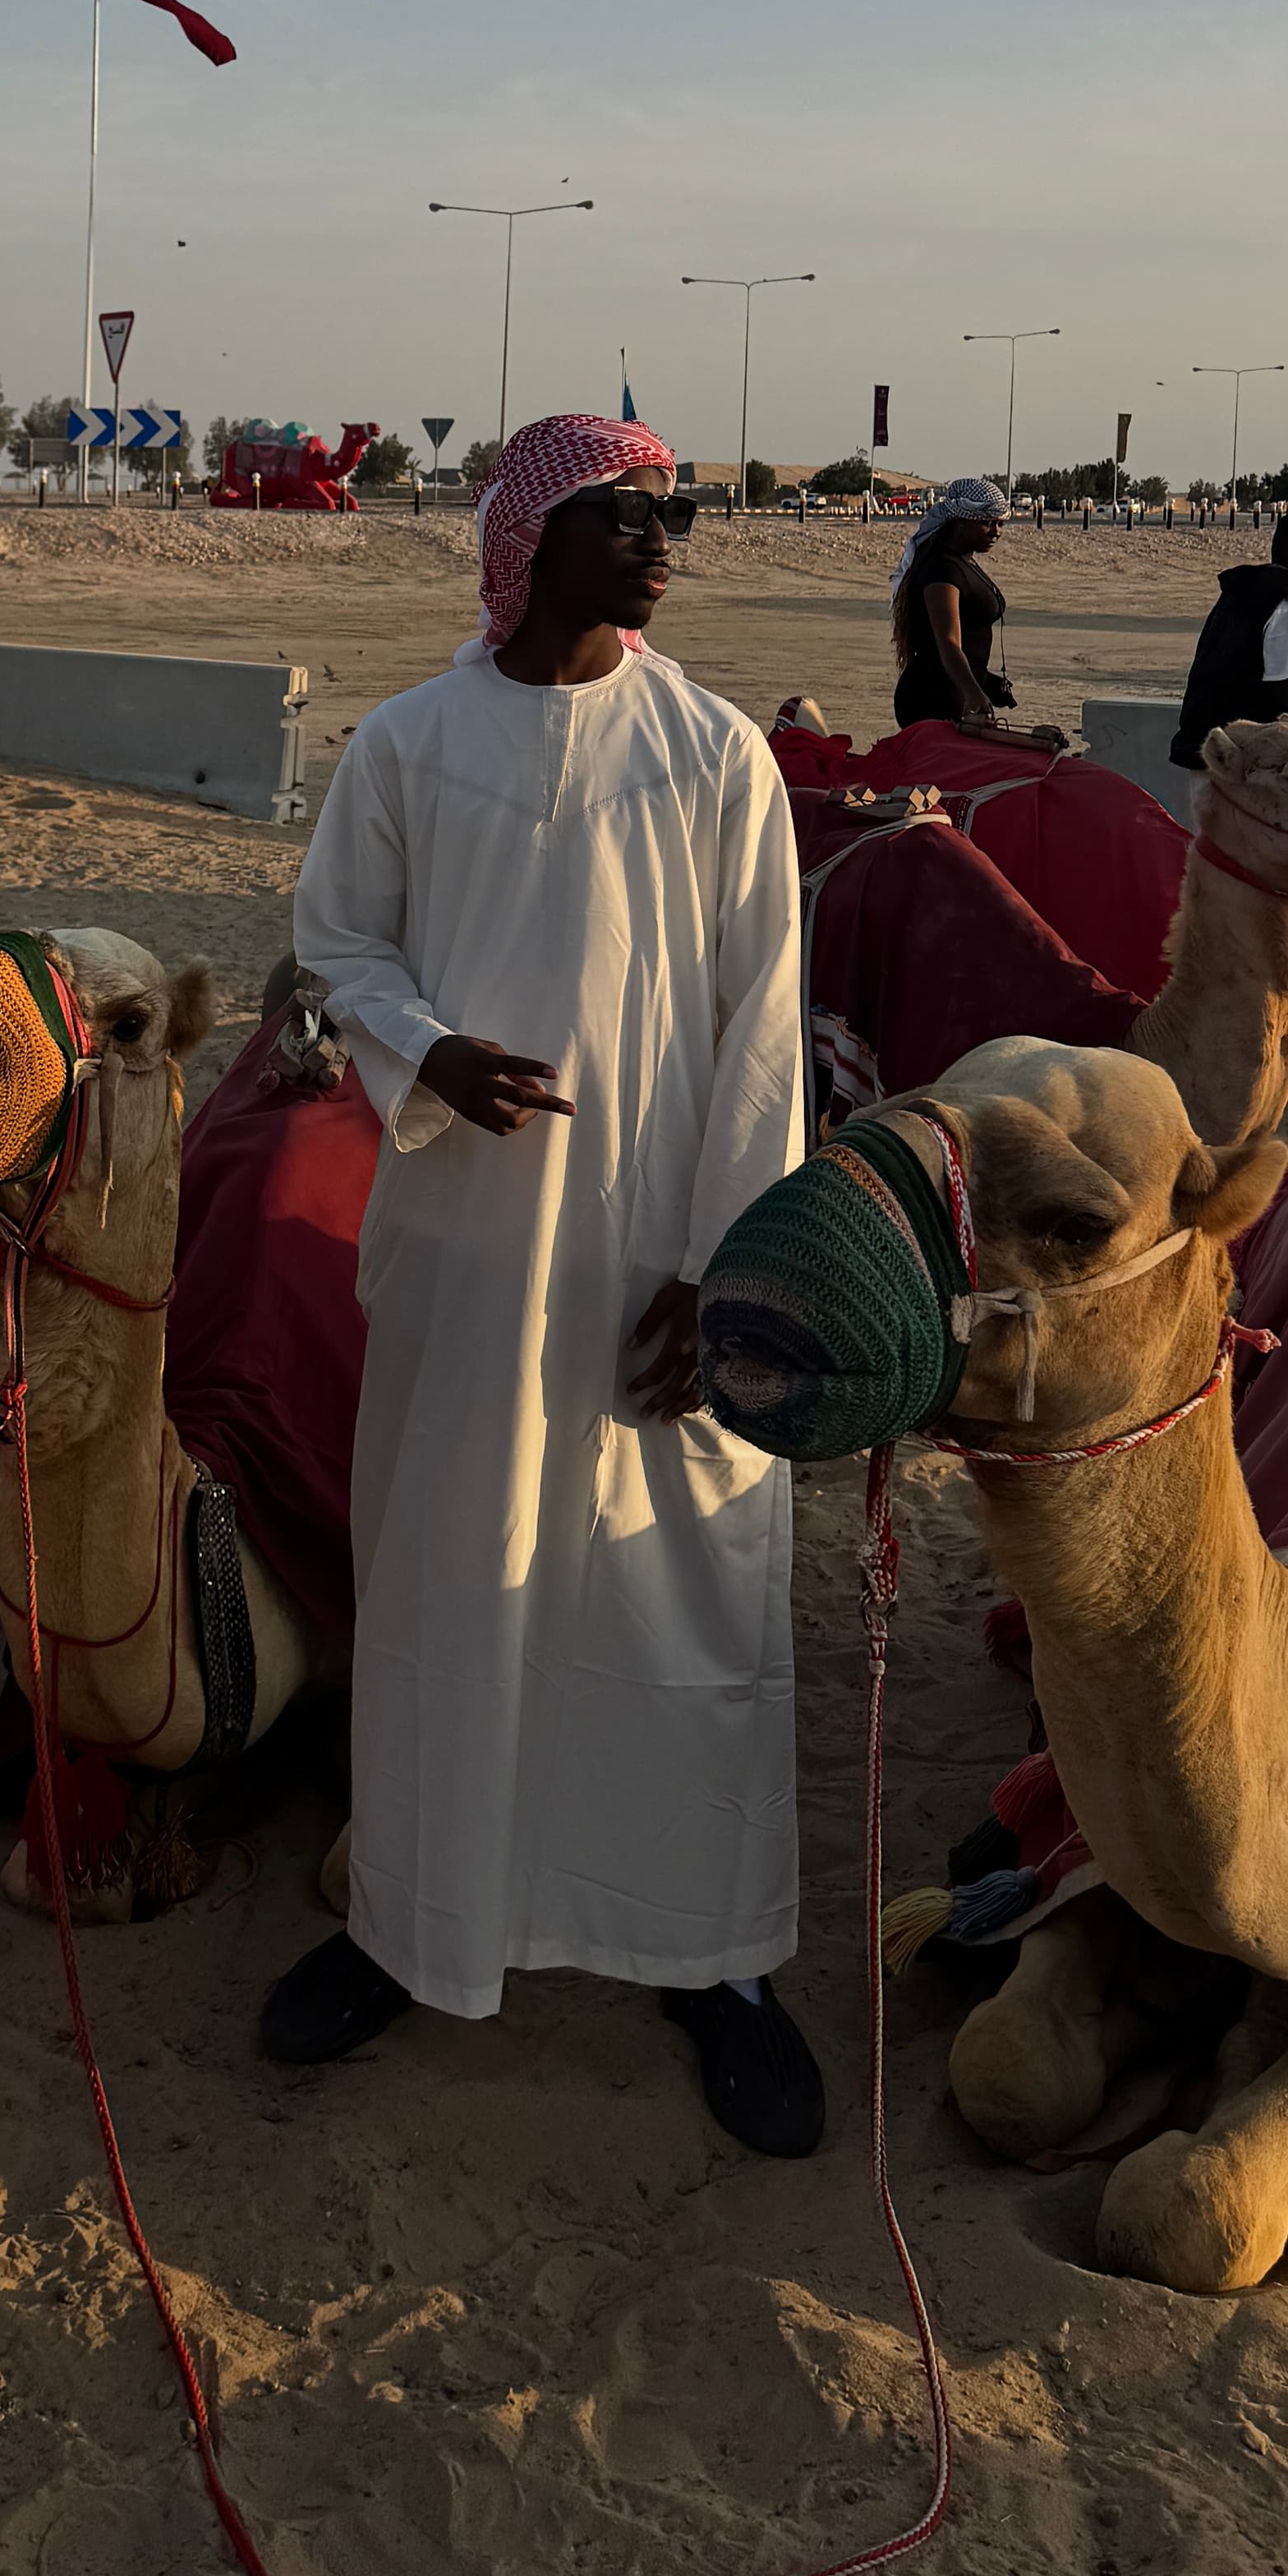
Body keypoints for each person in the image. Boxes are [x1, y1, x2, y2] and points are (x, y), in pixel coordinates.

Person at [269, 413, 821, 2154]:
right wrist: (423, 1054)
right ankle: (414, 1928)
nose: (661, 542)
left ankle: (713, 1960)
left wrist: (733, 1279)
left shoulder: (717, 754)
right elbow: (334, 943)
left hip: (667, 1252)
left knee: (682, 1604)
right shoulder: (412, 747)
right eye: (620, 516)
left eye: (670, 516)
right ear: (524, 542)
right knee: (453, 1574)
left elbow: (765, 1035)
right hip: (469, 1253)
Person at [1168, 506, 1288, 771]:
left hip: (1207, 753)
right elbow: (1283, 689)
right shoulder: (1286, 605)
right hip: (1243, 763)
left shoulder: (1242, 591)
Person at [891, 477, 1019, 730]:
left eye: (999, 523)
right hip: (933, 699)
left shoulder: (963, 561)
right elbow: (948, 642)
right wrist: (973, 692)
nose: (996, 531)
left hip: (958, 691)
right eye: (987, 523)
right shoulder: (943, 570)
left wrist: (985, 682)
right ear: (960, 522)